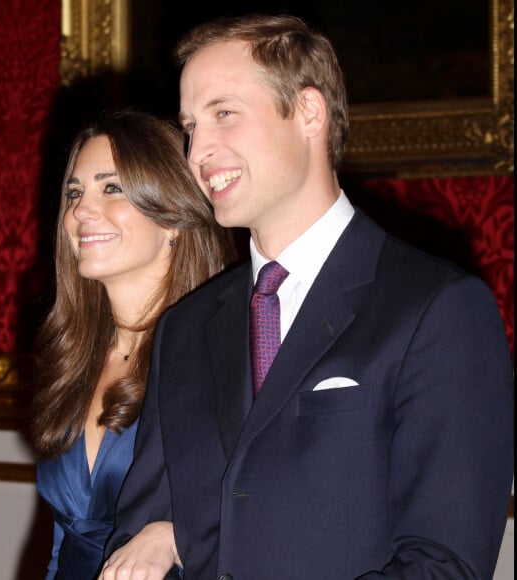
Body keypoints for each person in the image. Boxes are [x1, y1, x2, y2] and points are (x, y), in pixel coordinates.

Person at [101, 14, 514, 580]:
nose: (198, 151)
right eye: (191, 125)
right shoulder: (188, 327)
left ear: (309, 114)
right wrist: (164, 534)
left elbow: (444, 564)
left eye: (225, 114)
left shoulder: (437, 308)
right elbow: (142, 529)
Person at [31, 107, 236, 579]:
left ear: (172, 218)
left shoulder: (225, 358)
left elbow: (276, 512)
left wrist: (176, 536)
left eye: (112, 188)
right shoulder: (73, 358)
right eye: (75, 193)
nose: (80, 211)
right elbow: (63, 546)